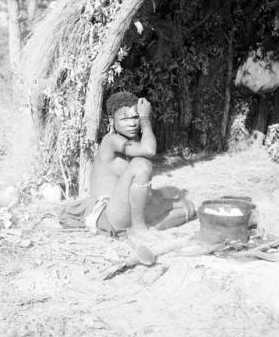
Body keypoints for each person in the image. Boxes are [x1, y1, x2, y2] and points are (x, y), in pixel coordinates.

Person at [60, 91, 196, 265]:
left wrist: (159, 197)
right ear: (112, 121)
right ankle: (139, 229)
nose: (132, 123)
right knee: (142, 164)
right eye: (124, 119)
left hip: (126, 211)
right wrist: (146, 119)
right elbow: (149, 150)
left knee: (187, 207)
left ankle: (138, 228)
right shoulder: (111, 141)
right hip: (108, 213)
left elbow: (136, 187)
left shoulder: (133, 140)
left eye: (135, 117)